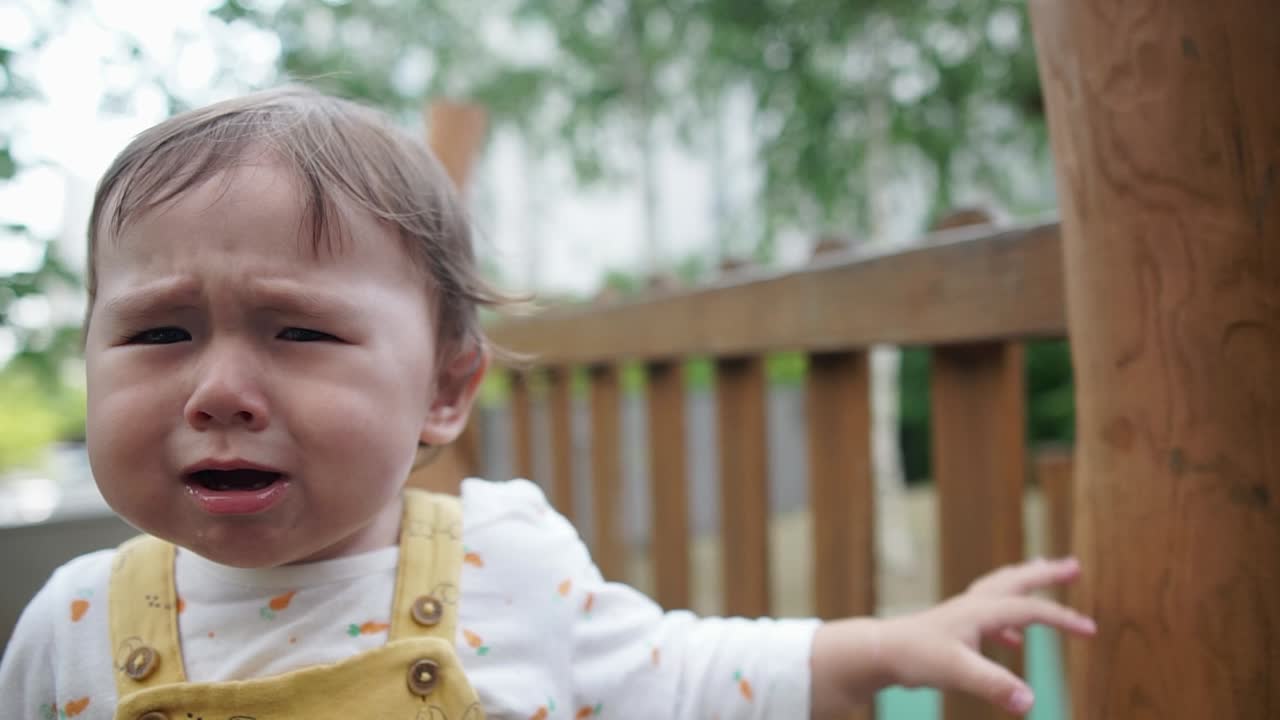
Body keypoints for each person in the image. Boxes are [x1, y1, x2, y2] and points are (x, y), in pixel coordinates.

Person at [0, 86, 1095, 720]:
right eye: (157, 332)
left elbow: (682, 676)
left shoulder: (503, 566)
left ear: (444, 389)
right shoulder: (71, 628)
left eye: (300, 333)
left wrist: (883, 646)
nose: (221, 391)